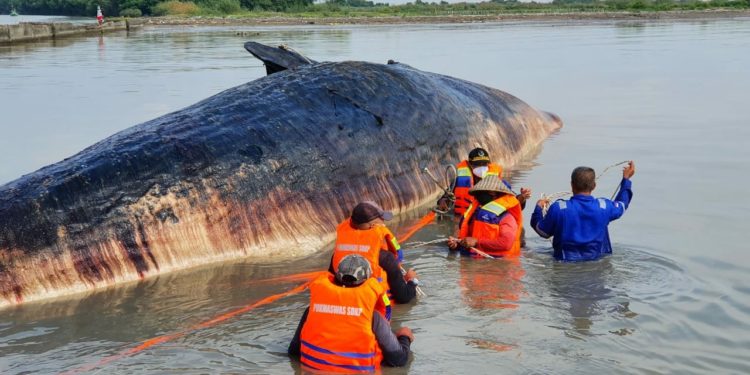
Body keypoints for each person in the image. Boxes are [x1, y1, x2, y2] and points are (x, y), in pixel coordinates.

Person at [289, 254, 414, 372]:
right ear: (367, 282)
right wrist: (405, 338)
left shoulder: (312, 309)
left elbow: (294, 351)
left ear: (335, 279)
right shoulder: (372, 317)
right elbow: (398, 359)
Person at [530, 161, 635, 261]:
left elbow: (543, 231)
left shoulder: (559, 208)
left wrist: (538, 209)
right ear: (594, 186)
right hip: (598, 267)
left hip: (565, 266)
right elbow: (622, 204)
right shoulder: (604, 206)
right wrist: (626, 179)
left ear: (571, 185)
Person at [329, 201, 419, 307]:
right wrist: (412, 280)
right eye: (381, 219)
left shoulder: (338, 254)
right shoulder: (386, 258)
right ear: (372, 225)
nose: (384, 221)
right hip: (374, 310)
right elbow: (403, 297)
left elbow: (333, 282)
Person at [447, 174, 524, 257]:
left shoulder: (507, 218)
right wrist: (456, 244)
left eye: (480, 194)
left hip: (497, 264)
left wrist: (477, 242)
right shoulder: (474, 215)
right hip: (473, 263)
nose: (477, 198)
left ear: (493, 194)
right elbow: (469, 240)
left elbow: (506, 243)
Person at [437, 147, 531, 216]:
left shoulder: (496, 182)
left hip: (488, 220)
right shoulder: (460, 181)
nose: (481, 167)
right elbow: (446, 197)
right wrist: (443, 201)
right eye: (477, 165)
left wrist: (522, 197)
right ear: (470, 165)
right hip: (464, 219)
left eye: (484, 164)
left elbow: (513, 202)